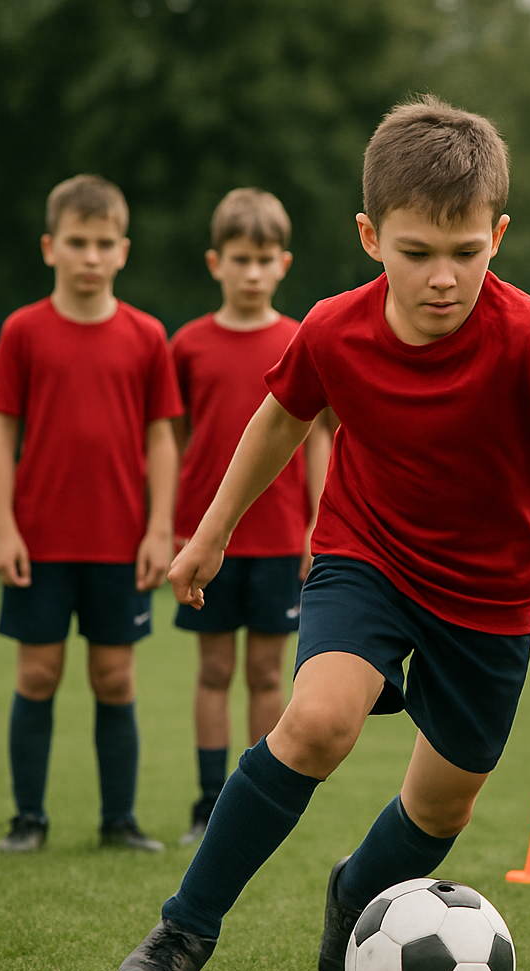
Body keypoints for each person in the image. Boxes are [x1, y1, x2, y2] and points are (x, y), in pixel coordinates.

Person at [110, 98, 530, 971]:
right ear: (370, 236)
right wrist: (209, 533)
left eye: (467, 253)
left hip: (489, 601)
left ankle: (355, 888)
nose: (443, 278)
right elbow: (279, 417)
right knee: (319, 723)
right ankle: (183, 931)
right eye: (417, 253)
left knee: (442, 810)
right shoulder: (332, 328)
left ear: (499, 235)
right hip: (365, 559)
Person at [0, 173, 184, 854]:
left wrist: (159, 529)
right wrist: (5, 527)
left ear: (123, 250)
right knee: (37, 673)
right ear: (50, 247)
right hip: (39, 541)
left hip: (121, 544)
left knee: (114, 677)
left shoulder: (147, 335)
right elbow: (1, 432)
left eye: (103, 244)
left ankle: (118, 821)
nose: (90, 256)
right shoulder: (23, 331)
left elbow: (161, 436)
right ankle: (27, 819)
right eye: (77, 242)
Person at [168, 188, 333, 846]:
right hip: (212, 545)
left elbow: (318, 436)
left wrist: (316, 522)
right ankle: (209, 803)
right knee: (213, 671)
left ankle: (258, 801)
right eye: (240, 258)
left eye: (265, 259)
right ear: (216, 263)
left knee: (269, 673)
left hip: (277, 542)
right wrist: (186, 530)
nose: (253, 272)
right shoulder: (188, 346)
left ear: (284, 263)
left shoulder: (301, 339)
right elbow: (177, 441)